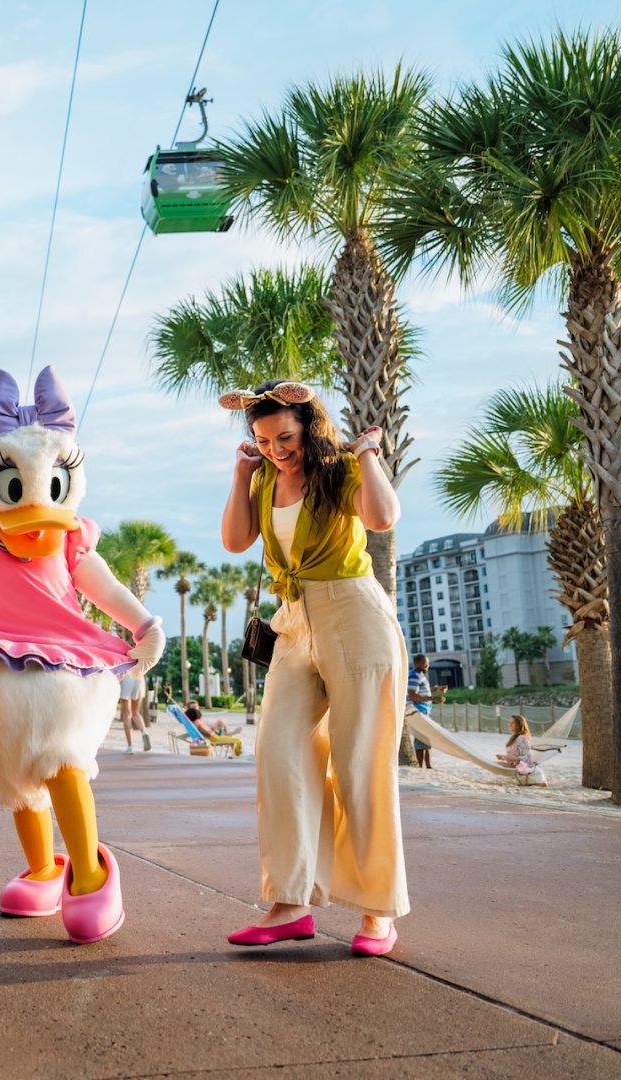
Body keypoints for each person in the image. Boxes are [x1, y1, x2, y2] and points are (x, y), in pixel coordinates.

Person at [217, 379, 409, 958]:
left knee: (360, 766)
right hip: (294, 624)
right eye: (262, 439)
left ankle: (378, 913)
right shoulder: (267, 478)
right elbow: (234, 541)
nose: (276, 448)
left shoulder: (339, 469)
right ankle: (291, 902)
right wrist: (241, 475)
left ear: (308, 426)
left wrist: (368, 452)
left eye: (284, 436)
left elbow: (381, 517)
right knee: (278, 750)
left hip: (355, 615)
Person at [406, 655, 445, 769]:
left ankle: (427, 766)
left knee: (426, 738)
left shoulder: (419, 675)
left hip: (423, 711)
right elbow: (413, 696)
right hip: (417, 712)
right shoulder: (414, 675)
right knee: (422, 738)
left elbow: (422, 691)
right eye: (425, 663)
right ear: (417, 663)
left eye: (427, 663)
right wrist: (433, 698)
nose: (427, 665)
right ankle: (423, 766)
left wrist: (436, 689)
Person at [119, 669, 150, 753]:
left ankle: (130, 747)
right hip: (139, 679)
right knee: (135, 712)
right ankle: (144, 732)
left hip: (126, 677)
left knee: (127, 714)